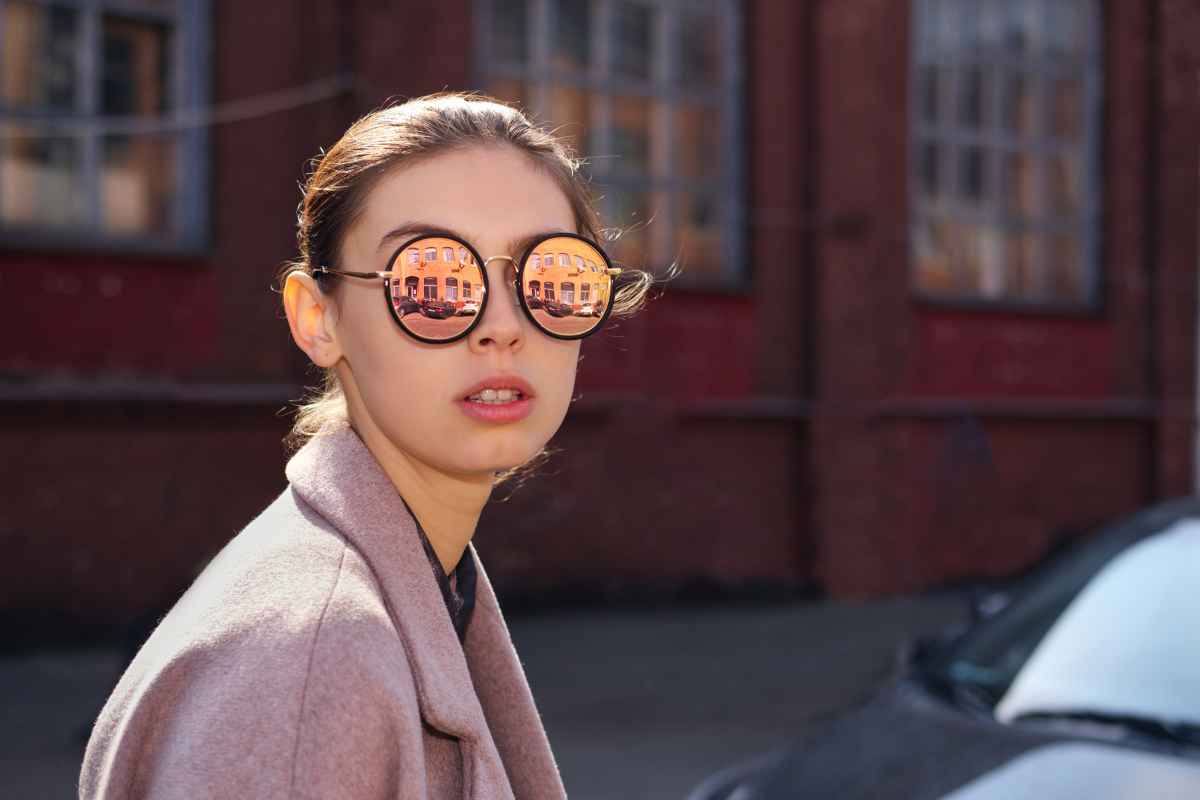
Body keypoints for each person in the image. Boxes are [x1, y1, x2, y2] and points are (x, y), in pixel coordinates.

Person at [79, 92, 651, 799]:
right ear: (318, 319)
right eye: (429, 281)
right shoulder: (313, 661)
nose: (503, 325)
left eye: (549, 279)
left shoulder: (413, 582)